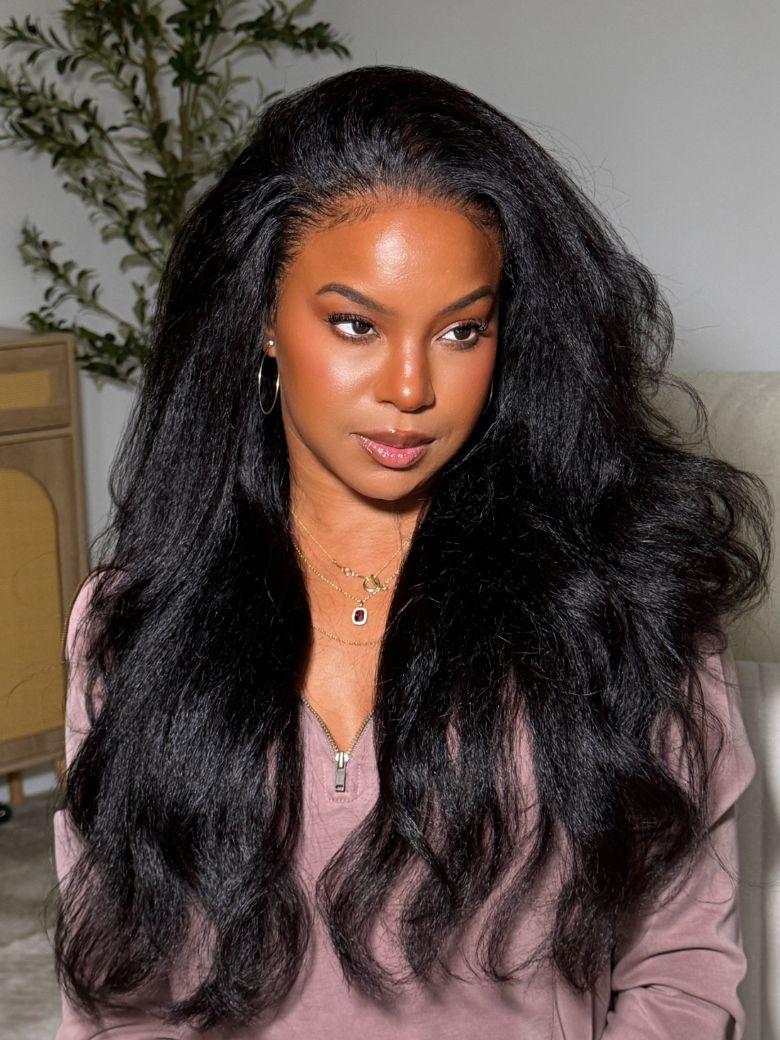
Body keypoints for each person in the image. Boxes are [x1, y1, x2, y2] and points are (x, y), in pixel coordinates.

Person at [51, 65, 771, 1039]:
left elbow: (681, 978)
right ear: (263, 318)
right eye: (356, 323)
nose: (409, 388)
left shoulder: (625, 606)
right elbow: (118, 993)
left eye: (461, 330)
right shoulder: (138, 622)